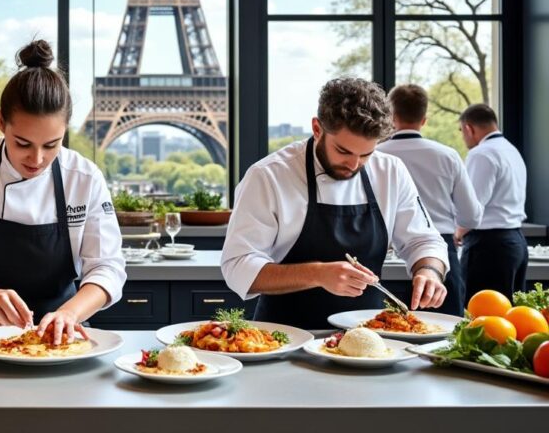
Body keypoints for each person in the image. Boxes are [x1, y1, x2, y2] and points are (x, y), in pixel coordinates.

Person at [0, 40, 126, 343]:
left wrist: (71, 313)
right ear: (0, 121)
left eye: (51, 145)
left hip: (59, 340)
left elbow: (107, 266)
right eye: (23, 143)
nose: (37, 159)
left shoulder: (84, 178)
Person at [221, 78, 449, 329]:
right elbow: (237, 267)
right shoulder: (269, 176)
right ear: (317, 129)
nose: (354, 165)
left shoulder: (390, 170)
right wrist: (318, 274)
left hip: (369, 337)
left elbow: (424, 240)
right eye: (343, 151)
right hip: (285, 337)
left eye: (366, 154)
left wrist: (429, 271)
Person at [375, 84, 482, 316]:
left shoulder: (375, 155)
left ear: (391, 117)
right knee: (446, 331)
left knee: (383, 331)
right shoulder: (448, 156)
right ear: (424, 120)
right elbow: (472, 216)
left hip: (383, 256)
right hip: (441, 258)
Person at [457, 103, 528, 300]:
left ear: (469, 128)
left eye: (461, 131)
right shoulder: (511, 150)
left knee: (480, 312)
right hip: (516, 242)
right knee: (510, 312)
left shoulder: (481, 153)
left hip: (488, 247)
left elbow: (472, 206)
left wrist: (457, 232)